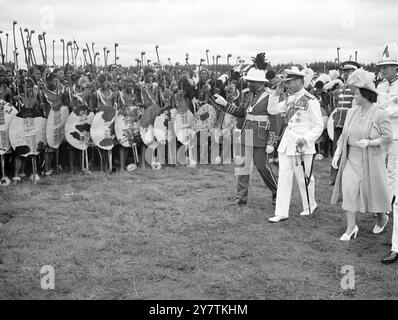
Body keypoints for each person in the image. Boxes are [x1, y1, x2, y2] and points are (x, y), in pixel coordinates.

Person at [331, 68, 392, 241]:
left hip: (371, 159)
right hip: (351, 159)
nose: (353, 96)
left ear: (366, 95)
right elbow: (344, 135)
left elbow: (388, 137)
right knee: (349, 190)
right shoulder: (351, 112)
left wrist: (371, 142)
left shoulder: (380, 113)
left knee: (373, 192)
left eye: (356, 94)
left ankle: (382, 217)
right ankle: (351, 227)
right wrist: (338, 151)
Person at [213, 66, 278, 206]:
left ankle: (276, 191)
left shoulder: (271, 96)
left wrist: (271, 142)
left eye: (251, 81)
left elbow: (275, 121)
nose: (248, 83)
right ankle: (241, 197)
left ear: (260, 82)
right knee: (242, 166)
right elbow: (241, 112)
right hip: (246, 133)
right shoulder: (248, 95)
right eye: (248, 81)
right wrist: (225, 104)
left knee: (262, 167)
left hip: (262, 136)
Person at [267, 66, 324, 223]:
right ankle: (281, 212)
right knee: (284, 177)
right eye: (287, 83)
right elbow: (272, 110)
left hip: (302, 146)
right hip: (286, 144)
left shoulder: (311, 100)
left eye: (290, 82)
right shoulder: (289, 99)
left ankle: (309, 205)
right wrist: (276, 94)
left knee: (304, 178)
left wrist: (306, 139)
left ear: (300, 81)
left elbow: (318, 126)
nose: (288, 85)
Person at [376, 43, 398, 264]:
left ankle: (386, 206)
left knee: (392, 176)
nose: (383, 71)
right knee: (379, 174)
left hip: (397, 137)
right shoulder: (381, 87)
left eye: (387, 67)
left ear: (395, 67)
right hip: (383, 136)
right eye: (381, 68)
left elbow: (392, 110)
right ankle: (383, 209)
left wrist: (385, 112)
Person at [329, 61, 360, 185]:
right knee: (336, 150)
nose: (345, 74)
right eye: (344, 72)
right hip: (338, 123)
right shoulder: (343, 86)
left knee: (349, 152)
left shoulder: (357, 87)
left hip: (350, 124)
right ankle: (334, 178)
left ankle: (345, 178)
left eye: (348, 71)